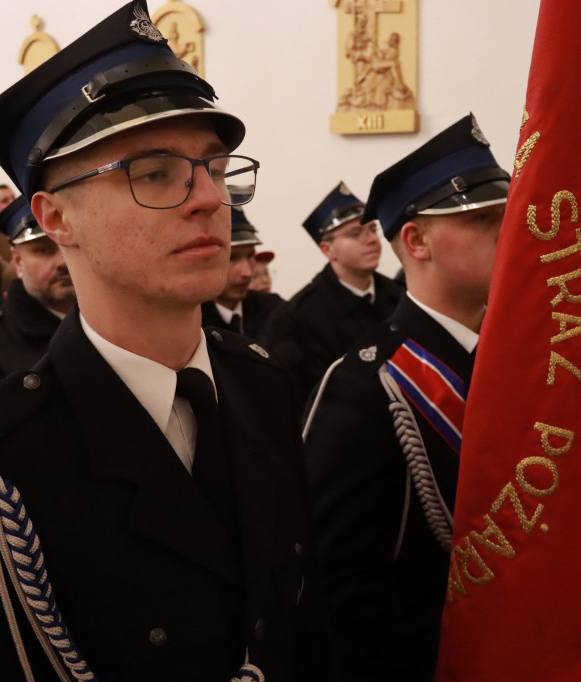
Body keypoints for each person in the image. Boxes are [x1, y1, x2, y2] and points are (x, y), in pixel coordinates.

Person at [0, 3, 314, 680]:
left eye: (214, 167)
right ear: (56, 217)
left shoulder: (262, 385)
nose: (210, 198)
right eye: (155, 172)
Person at [303, 114, 509, 680]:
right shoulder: (364, 391)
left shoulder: (511, 356)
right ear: (417, 242)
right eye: (483, 219)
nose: (509, 233)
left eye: (508, 215)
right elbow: (339, 591)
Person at [262, 181, 403, 399]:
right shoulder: (300, 315)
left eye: (372, 229)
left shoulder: (401, 294)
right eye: (356, 233)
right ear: (327, 249)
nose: (372, 239)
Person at [0, 196, 75, 401]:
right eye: (44, 250)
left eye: (68, 246)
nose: (62, 262)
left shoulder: (117, 317)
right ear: (18, 262)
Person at [201, 196, 284, 338]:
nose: (247, 272)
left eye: (250, 255)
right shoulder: (190, 324)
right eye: (231, 258)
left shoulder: (273, 309)